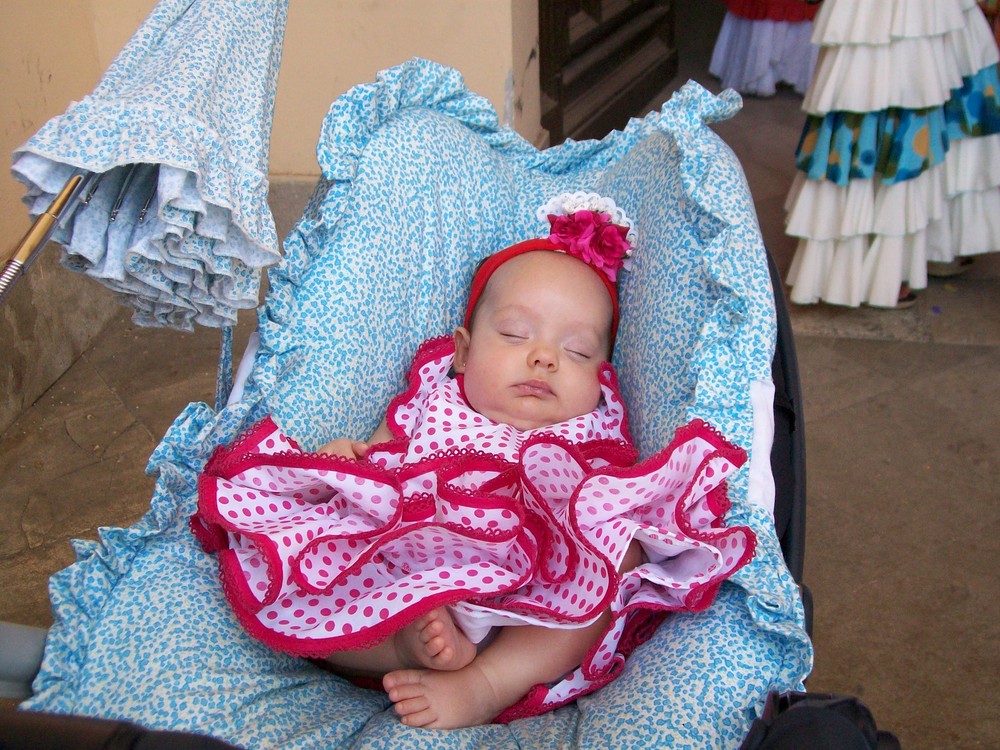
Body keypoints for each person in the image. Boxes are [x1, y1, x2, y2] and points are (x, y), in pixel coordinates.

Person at [192, 193, 756, 729]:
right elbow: (384, 455)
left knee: (618, 553)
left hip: (535, 589)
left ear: (601, 376)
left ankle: (488, 682)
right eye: (514, 334)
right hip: (414, 558)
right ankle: (402, 647)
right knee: (310, 572)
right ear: (461, 351)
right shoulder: (436, 396)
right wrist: (350, 461)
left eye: (577, 351)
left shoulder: (593, 427)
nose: (543, 356)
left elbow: (620, 499)